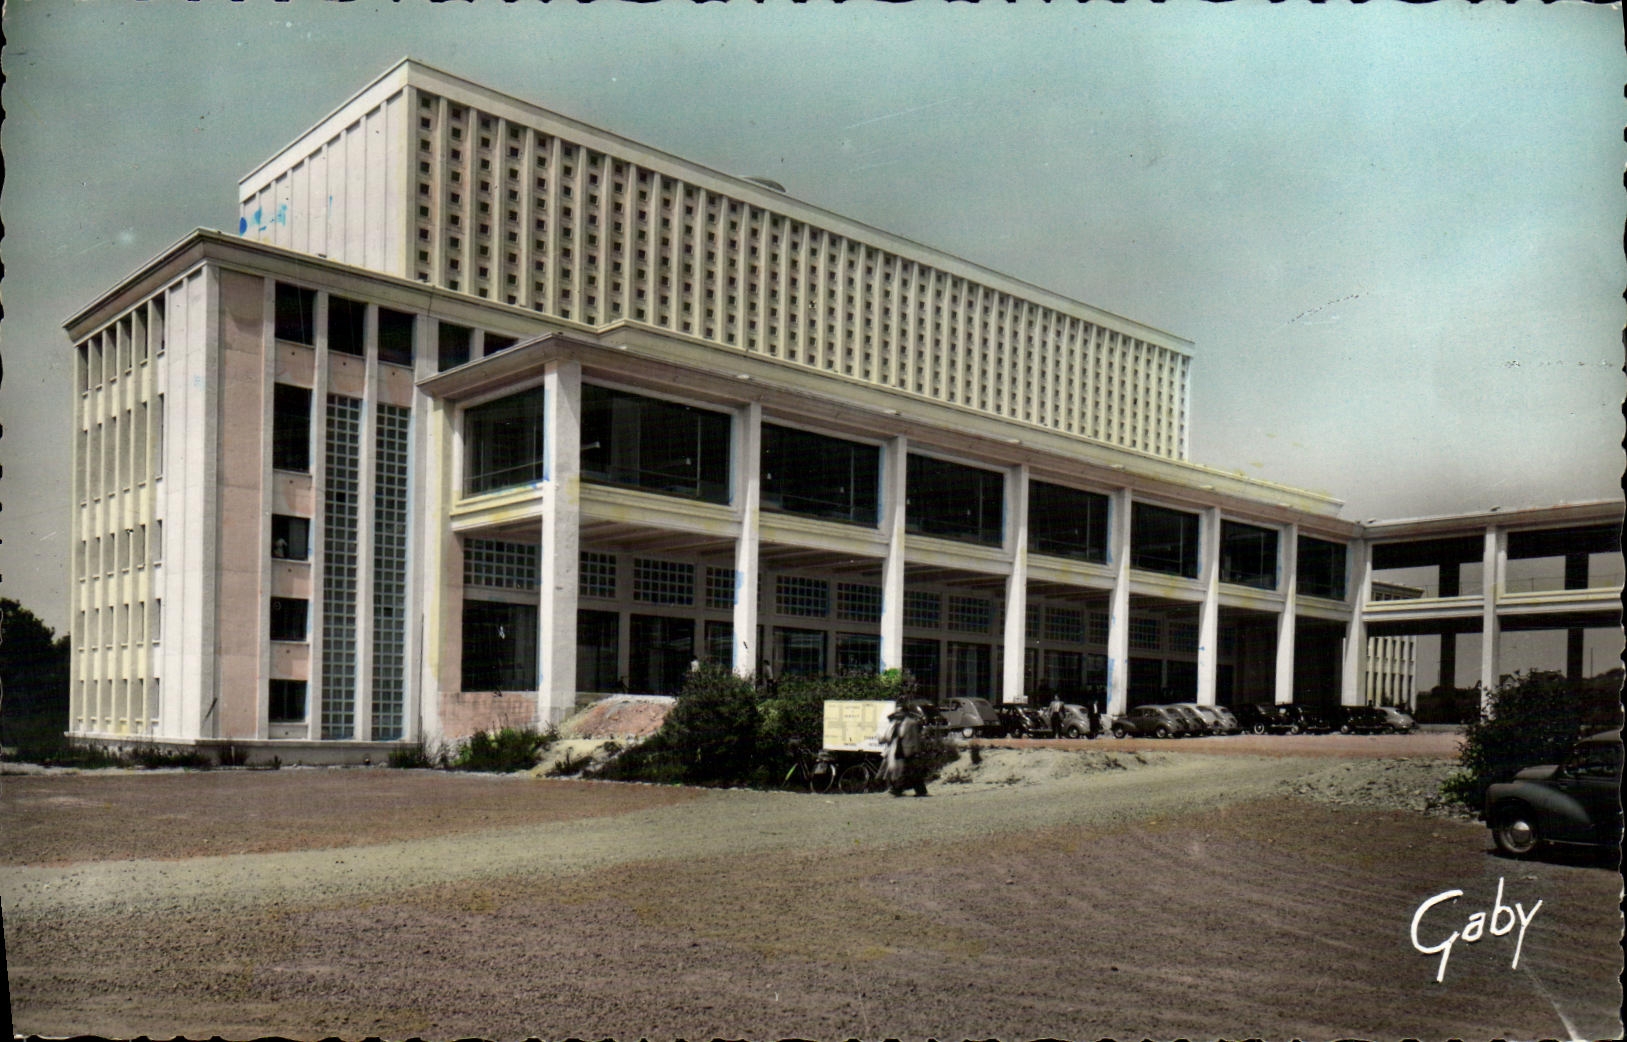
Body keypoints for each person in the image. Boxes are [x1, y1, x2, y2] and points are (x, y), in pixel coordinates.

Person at [882, 703, 929, 797]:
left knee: (908, 770)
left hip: (910, 749)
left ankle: (898, 789)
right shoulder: (897, 723)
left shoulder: (912, 723)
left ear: (905, 713)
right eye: (897, 712)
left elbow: (916, 737)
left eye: (900, 712)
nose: (898, 714)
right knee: (912, 771)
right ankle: (920, 790)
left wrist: (917, 750)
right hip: (900, 748)